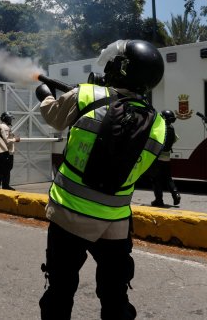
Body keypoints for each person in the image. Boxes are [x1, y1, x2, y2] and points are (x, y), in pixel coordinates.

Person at [35, 39, 166, 320]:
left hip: (68, 215)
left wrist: (45, 95)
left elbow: (53, 117)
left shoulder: (85, 95)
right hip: (116, 222)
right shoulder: (158, 124)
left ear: (120, 68)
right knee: (115, 293)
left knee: (60, 289)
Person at [150, 109, 181, 207]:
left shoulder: (160, 128)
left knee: (156, 179)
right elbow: (175, 139)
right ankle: (176, 193)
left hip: (157, 158)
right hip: (167, 158)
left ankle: (159, 200)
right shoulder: (171, 128)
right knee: (168, 178)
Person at [0, 111, 20, 190]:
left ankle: (4, 186)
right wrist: (15, 139)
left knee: (5, 170)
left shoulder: (2, 126)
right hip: (7, 152)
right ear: (7, 119)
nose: (11, 120)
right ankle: (5, 186)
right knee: (6, 170)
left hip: (3, 152)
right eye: (10, 118)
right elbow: (6, 140)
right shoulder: (5, 128)